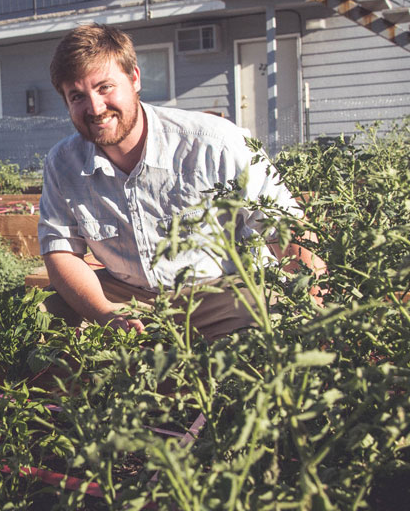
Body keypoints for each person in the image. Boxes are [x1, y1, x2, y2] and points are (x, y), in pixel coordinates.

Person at [38, 23, 324, 340]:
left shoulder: (213, 142)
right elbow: (61, 250)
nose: (95, 108)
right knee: (40, 314)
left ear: (134, 78)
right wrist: (106, 314)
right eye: (77, 96)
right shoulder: (63, 163)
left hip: (224, 290)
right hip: (131, 296)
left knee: (274, 325)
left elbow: (286, 227)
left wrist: (318, 304)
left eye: (105, 87)